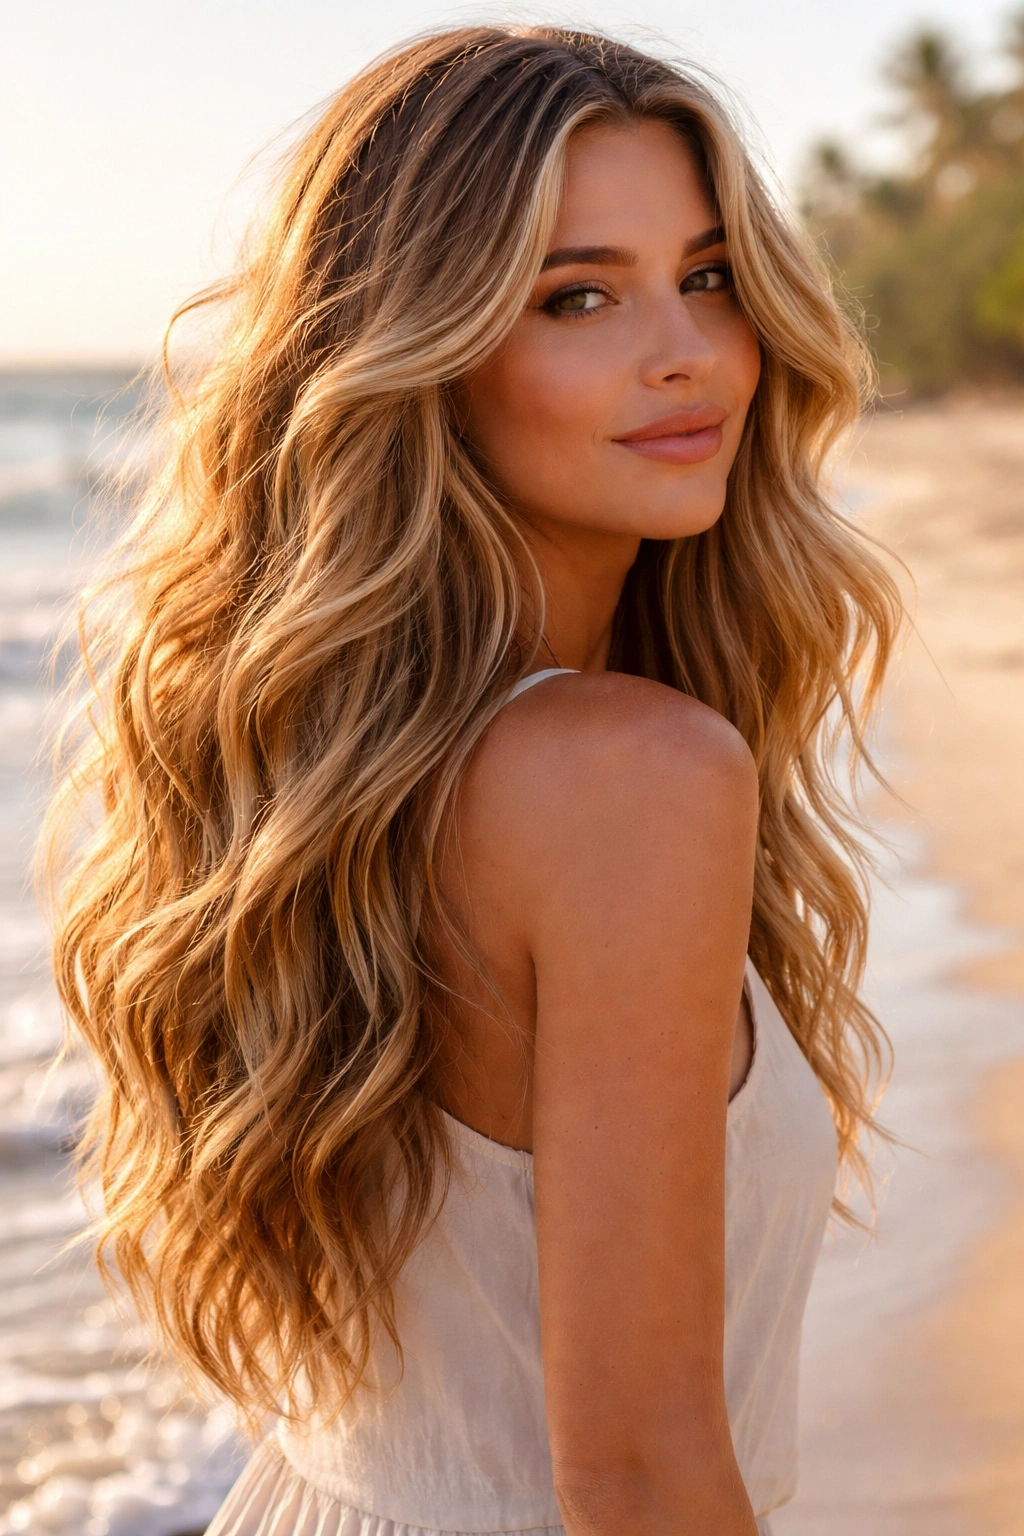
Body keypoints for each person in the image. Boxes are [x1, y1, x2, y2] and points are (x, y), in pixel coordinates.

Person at [46, 26, 901, 1536]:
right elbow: (636, 1478)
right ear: (419, 354)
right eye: (578, 296)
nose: (687, 350)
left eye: (707, 277)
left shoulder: (346, 772)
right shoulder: (631, 779)